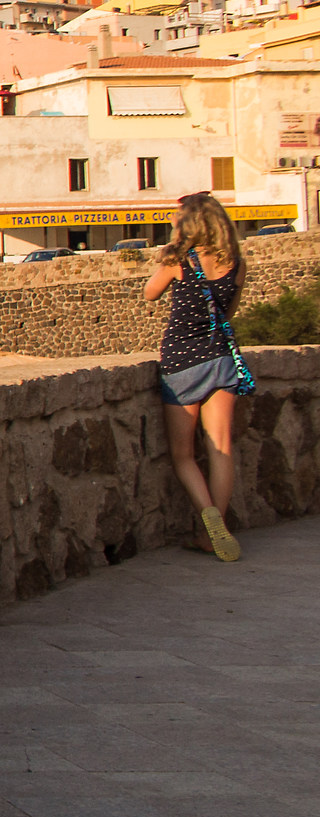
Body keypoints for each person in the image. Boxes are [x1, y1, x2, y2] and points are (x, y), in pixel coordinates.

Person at [145, 191, 246, 562]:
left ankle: (209, 521)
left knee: (183, 455)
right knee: (220, 447)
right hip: (220, 358)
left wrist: (170, 260)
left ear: (188, 223)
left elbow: (150, 294)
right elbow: (229, 311)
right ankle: (215, 532)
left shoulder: (177, 259)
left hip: (182, 363)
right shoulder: (235, 263)